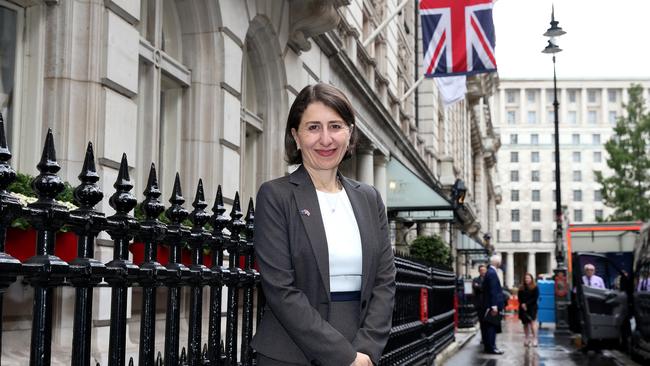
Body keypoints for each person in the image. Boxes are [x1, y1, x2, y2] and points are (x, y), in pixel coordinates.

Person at [251, 83, 396, 366]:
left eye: (336, 126)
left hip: (361, 351)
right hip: (291, 354)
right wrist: (345, 357)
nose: (326, 139)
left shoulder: (369, 198)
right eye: (314, 127)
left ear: (350, 133)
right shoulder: (276, 195)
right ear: (296, 135)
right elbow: (281, 289)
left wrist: (366, 350)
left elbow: (384, 280)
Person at [482, 254, 505, 355]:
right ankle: (492, 348)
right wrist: (494, 306)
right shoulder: (492, 273)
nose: (501, 263)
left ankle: (489, 347)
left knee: (489, 327)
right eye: (500, 261)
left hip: (489, 305)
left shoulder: (490, 272)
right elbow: (493, 290)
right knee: (492, 327)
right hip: (492, 306)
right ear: (497, 262)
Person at [518, 273, 539, 347]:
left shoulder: (535, 287)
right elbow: (519, 298)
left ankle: (535, 339)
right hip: (523, 307)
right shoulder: (521, 287)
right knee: (525, 324)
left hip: (532, 307)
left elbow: (535, 298)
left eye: (528, 278)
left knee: (533, 323)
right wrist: (523, 304)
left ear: (531, 279)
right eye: (526, 278)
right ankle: (527, 338)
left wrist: (526, 304)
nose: (527, 279)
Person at [472, 265, 487, 344]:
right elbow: (475, 287)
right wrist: (482, 288)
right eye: (481, 270)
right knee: (481, 322)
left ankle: (487, 337)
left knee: (487, 322)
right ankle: (483, 337)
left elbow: (484, 288)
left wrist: (480, 287)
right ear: (479, 271)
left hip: (487, 304)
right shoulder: (475, 279)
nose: (483, 271)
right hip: (479, 304)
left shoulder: (488, 279)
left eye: (484, 270)